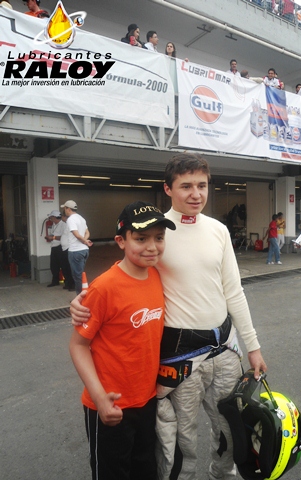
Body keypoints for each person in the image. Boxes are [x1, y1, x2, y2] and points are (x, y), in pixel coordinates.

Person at [70, 153, 267, 480]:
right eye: (186, 186)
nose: (196, 194)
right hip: (181, 355)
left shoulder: (218, 230)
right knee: (180, 441)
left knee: (232, 431)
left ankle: (224, 475)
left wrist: (253, 347)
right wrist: (83, 298)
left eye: (202, 186)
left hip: (226, 347)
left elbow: (234, 291)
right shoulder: (157, 229)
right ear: (168, 189)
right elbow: (126, 270)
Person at [69, 201, 176, 480]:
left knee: (145, 469)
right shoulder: (104, 287)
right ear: (121, 240)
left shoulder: (156, 275)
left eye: (159, 238)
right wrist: (100, 398)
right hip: (110, 404)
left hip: (147, 399)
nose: (152, 247)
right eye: (141, 239)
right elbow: (78, 345)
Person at [61, 200, 93, 295]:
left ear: (68, 209)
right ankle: (83, 295)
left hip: (75, 251)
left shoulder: (71, 219)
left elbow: (76, 234)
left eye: (65, 208)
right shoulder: (81, 218)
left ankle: (81, 298)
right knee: (81, 275)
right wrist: (85, 241)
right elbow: (87, 233)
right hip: (84, 250)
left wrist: (84, 240)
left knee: (77, 276)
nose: (64, 211)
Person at [44, 210, 66, 288]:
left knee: (63, 265)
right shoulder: (53, 224)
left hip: (60, 247)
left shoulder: (63, 225)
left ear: (55, 217)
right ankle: (55, 281)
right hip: (53, 246)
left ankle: (67, 282)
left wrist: (52, 237)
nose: (50, 219)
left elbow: (63, 237)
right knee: (53, 265)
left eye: (51, 217)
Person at [60, 212, 75, 292]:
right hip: (64, 248)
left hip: (69, 248)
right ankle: (68, 283)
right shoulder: (65, 224)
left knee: (69, 268)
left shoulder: (70, 224)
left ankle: (72, 284)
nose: (61, 217)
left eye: (62, 216)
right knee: (64, 267)